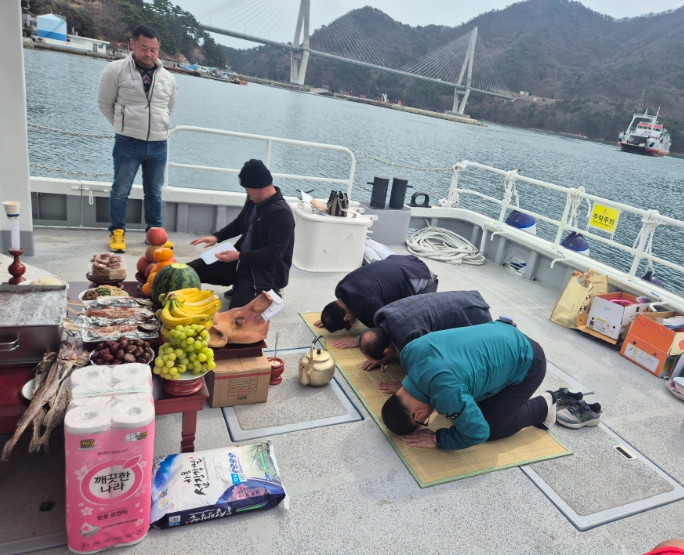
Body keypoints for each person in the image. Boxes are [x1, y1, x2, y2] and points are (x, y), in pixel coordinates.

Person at [378, 321, 559, 450]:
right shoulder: (408, 353)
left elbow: (478, 433)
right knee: (463, 413)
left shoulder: (446, 391)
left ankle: (543, 407)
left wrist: (438, 438)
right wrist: (407, 385)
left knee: (492, 428)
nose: (427, 418)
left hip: (529, 362)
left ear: (417, 414)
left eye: (422, 421)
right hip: (502, 330)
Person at [97, 25, 177, 253]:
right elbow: (104, 103)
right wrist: (123, 126)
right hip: (128, 143)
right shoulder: (115, 70)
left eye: (153, 49)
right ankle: (117, 231)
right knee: (121, 189)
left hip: (159, 144)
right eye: (143, 48)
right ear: (132, 44)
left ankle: (154, 234)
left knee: (154, 191)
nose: (149, 54)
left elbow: (169, 107)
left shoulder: (168, 77)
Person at [187, 159, 295, 309]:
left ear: (261, 187)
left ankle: (270, 291)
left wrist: (238, 256)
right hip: (241, 260)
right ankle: (240, 283)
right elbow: (240, 222)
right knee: (187, 271)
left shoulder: (281, 213)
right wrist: (217, 237)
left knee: (236, 315)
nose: (246, 192)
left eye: (248, 188)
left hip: (263, 272)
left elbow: (274, 253)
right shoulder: (253, 200)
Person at [355, 290, 492, 370]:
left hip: (472, 313)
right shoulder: (382, 315)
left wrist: (405, 388)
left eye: (384, 355)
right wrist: (382, 358)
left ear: (387, 351)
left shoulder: (411, 336)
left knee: (462, 359)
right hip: (463, 297)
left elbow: (428, 365)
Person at [314, 254, 437, 333]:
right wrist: (329, 319)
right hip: (404, 261)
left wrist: (358, 340)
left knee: (412, 321)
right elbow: (354, 306)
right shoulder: (341, 288)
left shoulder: (368, 304)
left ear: (347, 317)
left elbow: (389, 329)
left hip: (423, 277)